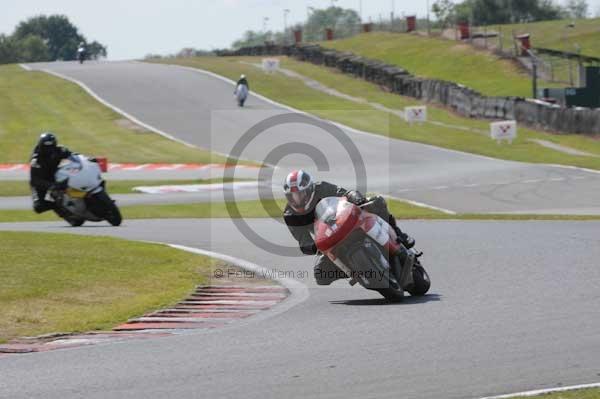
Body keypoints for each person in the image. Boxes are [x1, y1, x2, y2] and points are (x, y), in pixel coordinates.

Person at [282, 169, 415, 286]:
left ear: (310, 189)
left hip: (343, 220)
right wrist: (312, 246)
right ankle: (356, 271)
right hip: (328, 239)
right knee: (320, 275)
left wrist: (355, 197)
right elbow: (303, 240)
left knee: (376, 202)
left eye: (300, 194)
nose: (297, 199)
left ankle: (399, 235)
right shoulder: (290, 214)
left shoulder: (321, 187)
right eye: (292, 196)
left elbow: (344, 193)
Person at [29, 132, 72, 214]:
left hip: (55, 174)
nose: (48, 150)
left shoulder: (59, 150)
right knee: (38, 207)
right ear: (41, 146)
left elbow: (73, 155)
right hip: (41, 181)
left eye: (50, 147)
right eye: (45, 147)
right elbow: (35, 180)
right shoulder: (36, 159)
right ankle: (57, 206)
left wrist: (86, 159)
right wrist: (51, 185)